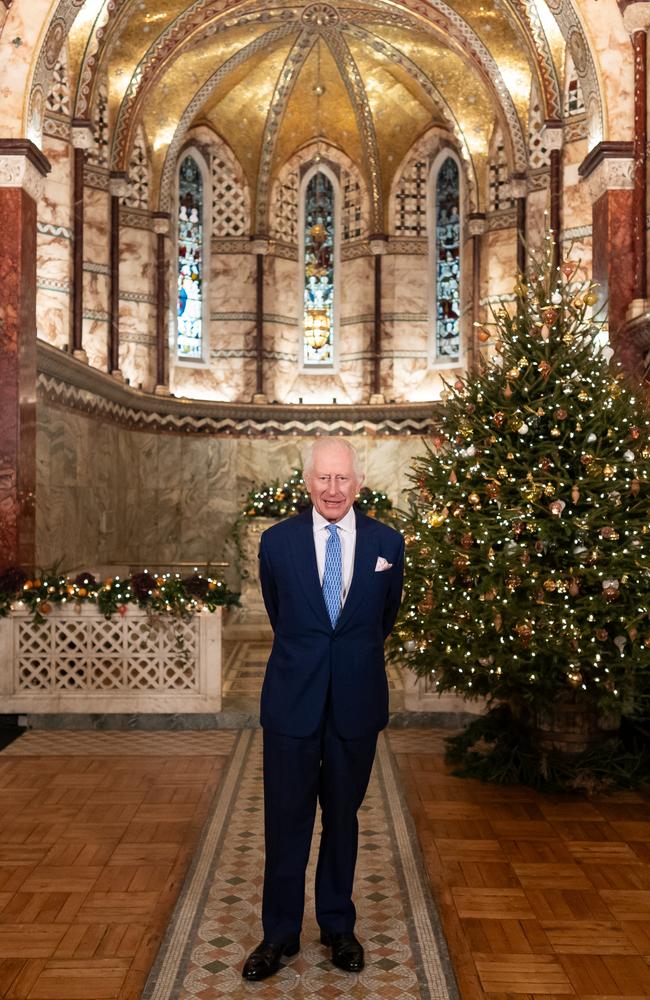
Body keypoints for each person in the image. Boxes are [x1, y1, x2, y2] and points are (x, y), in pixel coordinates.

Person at [242, 437, 405, 981]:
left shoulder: (389, 542)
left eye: (343, 479)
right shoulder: (277, 543)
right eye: (323, 478)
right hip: (292, 704)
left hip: (356, 705)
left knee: (342, 819)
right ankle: (278, 933)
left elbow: (383, 619)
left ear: (358, 482)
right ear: (306, 480)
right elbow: (279, 611)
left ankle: (338, 925)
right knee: (285, 822)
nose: (333, 490)